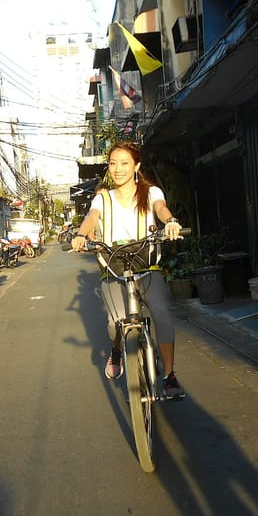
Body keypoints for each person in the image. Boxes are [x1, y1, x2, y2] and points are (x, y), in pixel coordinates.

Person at [71, 141, 185, 397]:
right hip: (113, 267)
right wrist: (81, 235)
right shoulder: (103, 197)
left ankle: (169, 376)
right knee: (115, 323)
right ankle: (116, 350)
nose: (118, 169)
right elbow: (92, 217)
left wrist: (171, 222)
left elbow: (161, 209)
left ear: (136, 166)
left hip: (147, 265)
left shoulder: (151, 192)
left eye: (124, 163)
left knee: (162, 313)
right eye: (113, 164)